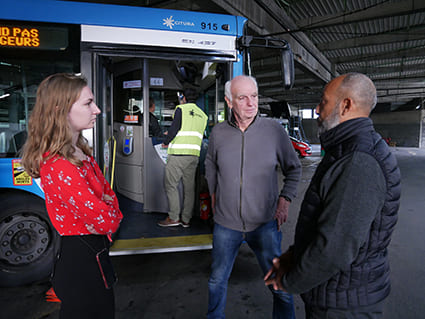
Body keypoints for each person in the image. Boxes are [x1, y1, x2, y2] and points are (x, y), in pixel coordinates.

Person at [265, 73, 401, 319]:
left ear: (346, 105)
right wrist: (293, 257)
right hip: (339, 294)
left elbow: (333, 249)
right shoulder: (346, 150)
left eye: (323, 102)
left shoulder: (358, 162)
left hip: (343, 305)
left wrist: (290, 281)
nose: (317, 110)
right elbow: (326, 222)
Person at [21, 73, 123, 319]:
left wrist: (105, 205)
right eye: (88, 103)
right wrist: (107, 207)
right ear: (60, 109)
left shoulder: (80, 153)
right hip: (80, 263)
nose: (97, 110)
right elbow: (107, 220)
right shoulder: (59, 165)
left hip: (92, 255)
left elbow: (109, 197)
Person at [205, 75, 302, 319]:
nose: (251, 103)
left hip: (265, 225)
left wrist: (285, 199)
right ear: (229, 102)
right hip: (226, 225)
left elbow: (294, 168)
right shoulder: (218, 133)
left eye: (255, 96)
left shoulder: (273, 131)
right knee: (217, 281)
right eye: (242, 97)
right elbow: (210, 164)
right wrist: (214, 194)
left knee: (279, 284)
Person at [158, 88, 208, 227]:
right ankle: (186, 219)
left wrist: (166, 141)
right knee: (189, 188)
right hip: (193, 156)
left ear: (184, 98)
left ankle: (174, 217)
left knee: (171, 185)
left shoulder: (181, 109)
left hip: (178, 154)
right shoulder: (203, 115)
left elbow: (174, 129)